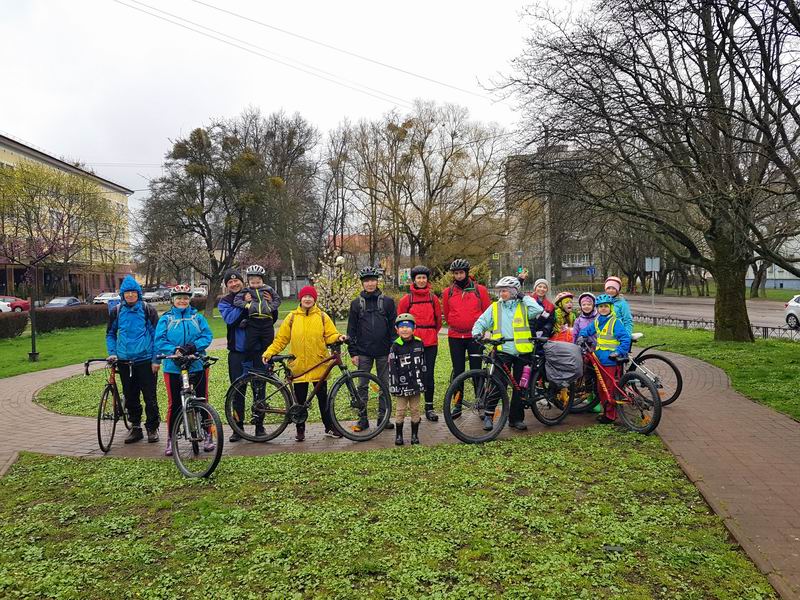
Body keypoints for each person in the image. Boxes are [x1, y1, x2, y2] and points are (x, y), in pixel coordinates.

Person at [262, 285, 347, 442]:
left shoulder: (322, 316)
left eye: (310, 297)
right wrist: (269, 352)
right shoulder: (292, 317)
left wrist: (338, 337)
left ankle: (329, 426)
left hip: (319, 364)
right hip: (299, 366)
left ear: (314, 299)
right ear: (300, 299)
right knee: (300, 401)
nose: (307, 299)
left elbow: (330, 335)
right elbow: (281, 339)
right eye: (305, 296)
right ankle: (300, 429)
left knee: (323, 398)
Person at [472, 276, 544, 431]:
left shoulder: (524, 306)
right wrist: (477, 332)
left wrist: (524, 297)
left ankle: (516, 418)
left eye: (504, 291)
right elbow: (482, 321)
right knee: (497, 385)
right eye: (500, 291)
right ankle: (489, 416)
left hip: (522, 351)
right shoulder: (495, 307)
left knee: (519, 387)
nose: (501, 294)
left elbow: (538, 310)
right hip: (502, 351)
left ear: (513, 292)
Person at [153, 284, 214, 456]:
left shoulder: (197, 317)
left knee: (202, 400)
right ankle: (171, 439)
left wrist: (192, 347)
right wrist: (175, 351)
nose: (182, 301)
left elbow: (207, 336)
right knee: (175, 404)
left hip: (196, 363)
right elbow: (160, 340)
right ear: (173, 300)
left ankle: (208, 434)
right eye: (179, 298)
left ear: (189, 300)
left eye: (185, 298)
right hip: (173, 367)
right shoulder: (166, 318)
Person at [105, 275, 160, 444]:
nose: (130, 295)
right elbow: (110, 334)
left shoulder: (147, 309)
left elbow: (157, 336)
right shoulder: (117, 311)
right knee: (130, 396)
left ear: (138, 293)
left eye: (133, 292)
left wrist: (155, 360)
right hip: (124, 361)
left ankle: (152, 428)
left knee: (150, 397)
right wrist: (113, 352)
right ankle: (136, 428)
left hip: (145, 360)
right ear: (122, 295)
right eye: (127, 293)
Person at [346, 266, 397, 431]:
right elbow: (351, 330)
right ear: (362, 283)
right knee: (362, 386)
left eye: (372, 280)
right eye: (366, 281)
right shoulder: (356, 304)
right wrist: (353, 353)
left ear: (377, 281)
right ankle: (363, 418)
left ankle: (383, 417)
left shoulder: (387, 302)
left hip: (384, 352)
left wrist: (393, 348)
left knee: (384, 384)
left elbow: (393, 329)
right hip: (363, 352)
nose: (370, 284)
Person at [441, 258, 491, 419]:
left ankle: (480, 402)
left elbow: (487, 312)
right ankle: (457, 403)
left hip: (474, 336)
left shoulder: (480, 290)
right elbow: (447, 315)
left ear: (467, 273)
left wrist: (485, 331)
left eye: (461, 272)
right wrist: (458, 324)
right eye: (456, 273)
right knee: (458, 371)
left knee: (477, 370)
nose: (459, 276)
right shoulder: (447, 292)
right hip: (455, 336)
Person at [576, 293, 632, 424]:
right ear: (597, 308)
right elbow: (587, 330)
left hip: (611, 359)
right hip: (600, 358)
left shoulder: (615, 322)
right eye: (600, 307)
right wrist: (581, 336)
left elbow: (625, 339)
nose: (603, 309)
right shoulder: (597, 321)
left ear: (611, 307)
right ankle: (605, 411)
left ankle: (610, 415)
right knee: (602, 387)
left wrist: (618, 352)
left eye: (606, 306)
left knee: (609, 387)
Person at [397, 265, 442, 422]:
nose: (421, 280)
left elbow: (438, 321)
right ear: (414, 280)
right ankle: (411, 409)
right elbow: (400, 321)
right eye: (419, 278)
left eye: (424, 278)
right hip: (411, 342)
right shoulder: (406, 300)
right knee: (411, 374)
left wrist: (429, 333)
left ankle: (429, 407)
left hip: (430, 342)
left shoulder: (433, 298)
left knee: (428, 375)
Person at [217, 268, 249, 442]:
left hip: (256, 350)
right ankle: (238, 427)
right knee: (237, 391)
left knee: (260, 389)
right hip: (236, 352)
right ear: (227, 285)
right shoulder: (225, 301)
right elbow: (231, 319)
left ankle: (259, 426)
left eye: (237, 280)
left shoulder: (253, 293)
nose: (234, 283)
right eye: (230, 282)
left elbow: (269, 315)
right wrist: (244, 305)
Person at [388, 313, 427, 446]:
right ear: (396, 329)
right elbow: (392, 367)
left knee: (415, 409)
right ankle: (399, 436)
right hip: (401, 385)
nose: (405, 329)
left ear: (414, 328)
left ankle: (414, 436)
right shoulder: (395, 346)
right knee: (400, 411)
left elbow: (423, 364)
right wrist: (394, 385)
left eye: (408, 326)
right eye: (401, 327)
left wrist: (423, 381)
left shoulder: (419, 343)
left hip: (415, 384)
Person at [235, 264, 281, 368]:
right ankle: (248, 366)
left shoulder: (268, 289)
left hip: (267, 322)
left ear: (263, 280)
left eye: (258, 282)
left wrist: (270, 307)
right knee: (249, 345)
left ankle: (269, 366)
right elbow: (236, 300)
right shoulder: (246, 290)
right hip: (253, 322)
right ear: (248, 282)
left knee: (268, 346)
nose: (255, 285)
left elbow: (278, 300)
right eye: (253, 283)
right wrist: (247, 305)